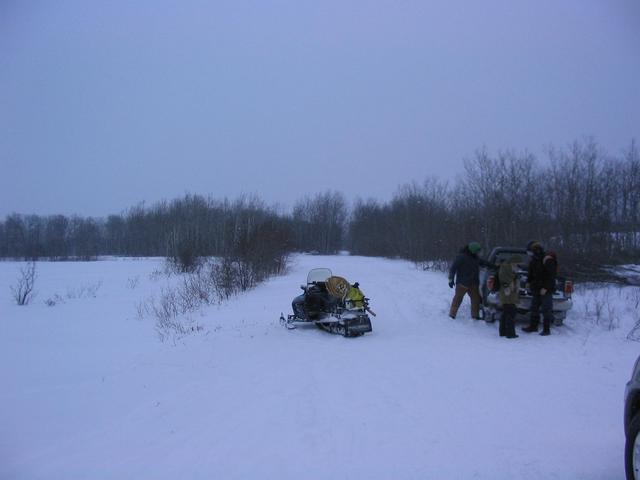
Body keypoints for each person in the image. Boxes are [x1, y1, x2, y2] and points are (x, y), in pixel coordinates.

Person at [448, 241, 492, 320]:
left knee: (476, 300)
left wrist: (494, 266)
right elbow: (453, 268)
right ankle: (452, 315)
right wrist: (451, 279)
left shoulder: (476, 258)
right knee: (458, 299)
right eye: (477, 251)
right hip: (462, 284)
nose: (479, 253)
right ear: (473, 250)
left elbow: (484, 263)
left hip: (473, 284)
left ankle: (475, 316)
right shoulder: (461, 257)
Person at [522, 241, 557, 336]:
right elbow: (531, 273)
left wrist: (546, 288)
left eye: (530, 251)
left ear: (536, 250)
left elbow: (552, 276)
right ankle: (533, 326)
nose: (529, 254)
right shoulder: (533, 260)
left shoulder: (547, 259)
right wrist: (528, 282)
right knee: (534, 308)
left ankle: (546, 329)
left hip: (546, 289)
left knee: (546, 309)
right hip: (536, 288)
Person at [498, 254, 522, 338]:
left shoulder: (507, 268)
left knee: (506, 313)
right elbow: (505, 280)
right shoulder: (506, 268)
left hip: (508, 294)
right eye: (517, 263)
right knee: (510, 313)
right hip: (507, 294)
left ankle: (503, 332)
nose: (518, 266)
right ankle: (510, 333)